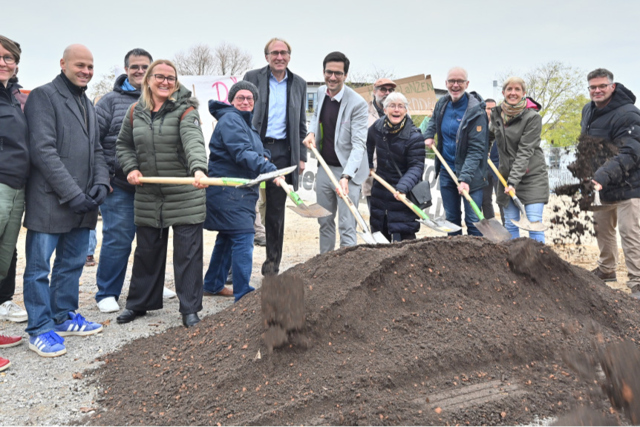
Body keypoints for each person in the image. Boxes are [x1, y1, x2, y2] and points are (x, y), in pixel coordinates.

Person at [23, 44, 110, 357]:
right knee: (38, 268)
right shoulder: (44, 97)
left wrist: (101, 182)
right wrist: (72, 193)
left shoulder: (87, 102)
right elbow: (43, 151)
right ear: (63, 64)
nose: (86, 71)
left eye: (90, 66)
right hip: (51, 200)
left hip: (83, 203)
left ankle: (63, 316)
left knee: (71, 264)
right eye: (80, 65)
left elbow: (97, 149)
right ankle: (39, 328)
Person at [115, 59, 207, 327]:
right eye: (160, 76)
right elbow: (124, 145)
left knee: (187, 254)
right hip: (149, 194)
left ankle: (189, 309)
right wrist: (131, 168)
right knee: (147, 252)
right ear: (148, 80)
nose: (165, 82)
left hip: (184, 193)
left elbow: (193, 141)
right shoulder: (135, 111)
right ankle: (140, 303)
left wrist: (199, 169)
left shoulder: (185, 110)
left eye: (171, 77)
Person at [203, 81, 283, 301]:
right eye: (241, 98)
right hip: (229, 190)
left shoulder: (244, 122)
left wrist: (265, 155)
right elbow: (240, 152)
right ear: (232, 100)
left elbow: (254, 149)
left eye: (250, 98)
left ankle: (212, 283)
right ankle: (243, 293)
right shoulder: (231, 119)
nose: (246, 101)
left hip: (239, 190)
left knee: (227, 238)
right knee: (243, 237)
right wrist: (271, 170)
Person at [243, 37, 307, 275]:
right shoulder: (252, 78)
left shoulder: (298, 83)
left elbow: (301, 123)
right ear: (266, 56)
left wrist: (301, 157)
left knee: (276, 212)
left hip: (282, 152)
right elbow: (241, 110)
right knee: (244, 206)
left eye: (284, 53)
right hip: (253, 148)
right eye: (274, 53)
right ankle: (235, 266)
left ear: (289, 56)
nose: (279, 57)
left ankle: (272, 264)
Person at [581, 68, 640, 297]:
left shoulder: (629, 114)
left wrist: (602, 175)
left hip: (630, 185)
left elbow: (630, 152)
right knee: (602, 228)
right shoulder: (588, 110)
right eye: (593, 87)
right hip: (601, 183)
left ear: (612, 87)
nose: (597, 90)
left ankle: (637, 281)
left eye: (602, 86)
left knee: (630, 233)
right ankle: (607, 270)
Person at [303, 52, 368, 253]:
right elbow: (315, 116)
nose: (332, 77)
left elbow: (359, 145)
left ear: (345, 75)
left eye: (338, 73)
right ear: (323, 72)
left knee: (347, 225)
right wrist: (312, 131)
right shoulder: (321, 92)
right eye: (329, 72)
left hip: (349, 172)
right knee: (324, 221)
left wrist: (346, 177)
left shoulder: (357, 104)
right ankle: (326, 267)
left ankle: (347, 273)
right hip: (325, 167)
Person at [423, 67, 489, 236]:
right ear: (446, 83)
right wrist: (429, 135)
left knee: (474, 221)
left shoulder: (476, 111)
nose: (455, 85)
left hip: (471, 174)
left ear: (467, 84)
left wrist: (465, 178)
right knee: (451, 220)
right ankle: (454, 260)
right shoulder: (442, 103)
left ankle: (476, 259)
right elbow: (434, 121)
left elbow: (476, 150)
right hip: (447, 170)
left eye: (460, 81)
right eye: (452, 81)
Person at [490, 77, 548, 242]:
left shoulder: (532, 117)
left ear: (524, 93)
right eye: (509, 89)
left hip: (532, 177)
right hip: (506, 177)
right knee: (510, 225)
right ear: (503, 92)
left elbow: (525, 151)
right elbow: (488, 135)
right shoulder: (497, 115)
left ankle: (538, 265)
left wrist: (513, 181)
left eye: (517, 90)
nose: (513, 93)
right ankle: (513, 265)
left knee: (533, 224)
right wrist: (484, 151)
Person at [0, 35, 28, 368]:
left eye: (9, 58)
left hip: (17, 186)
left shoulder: (14, 96)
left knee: (3, 260)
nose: (4, 62)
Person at [366, 92, 425, 242]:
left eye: (401, 106)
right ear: (385, 110)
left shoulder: (414, 136)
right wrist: (368, 164)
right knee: (380, 235)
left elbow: (416, 166)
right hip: (381, 190)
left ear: (406, 111)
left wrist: (403, 187)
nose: (396, 110)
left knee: (404, 239)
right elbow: (368, 142)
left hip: (404, 193)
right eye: (392, 106)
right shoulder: (378, 127)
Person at [362, 78, 396, 213]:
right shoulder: (363, 112)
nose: (387, 93)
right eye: (383, 90)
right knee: (377, 217)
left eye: (391, 90)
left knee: (396, 218)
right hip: (373, 173)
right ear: (374, 92)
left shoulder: (402, 111)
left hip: (396, 174)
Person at [482, 98, 501, 221]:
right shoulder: (478, 125)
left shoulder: (500, 125)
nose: (490, 111)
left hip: (498, 167)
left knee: (501, 200)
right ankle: (490, 224)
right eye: (488, 108)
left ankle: (507, 227)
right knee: (485, 200)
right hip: (484, 168)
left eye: (493, 109)